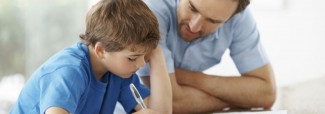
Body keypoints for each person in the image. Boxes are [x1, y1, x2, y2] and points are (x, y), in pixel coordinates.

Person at [10, 0, 172, 113]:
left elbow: (158, 112)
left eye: (144, 56)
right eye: (133, 57)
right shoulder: (69, 72)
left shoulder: (118, 71)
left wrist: (157, 56)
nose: (141, 64)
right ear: (101, 50)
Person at [137, 0, 276, 113]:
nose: (194, 26)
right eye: (192, 8)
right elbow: (168, 103)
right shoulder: (151, 10)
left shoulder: (238, 16)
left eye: (212, 21)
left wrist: (190, 78)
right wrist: (241, 100)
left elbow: (266, 93)